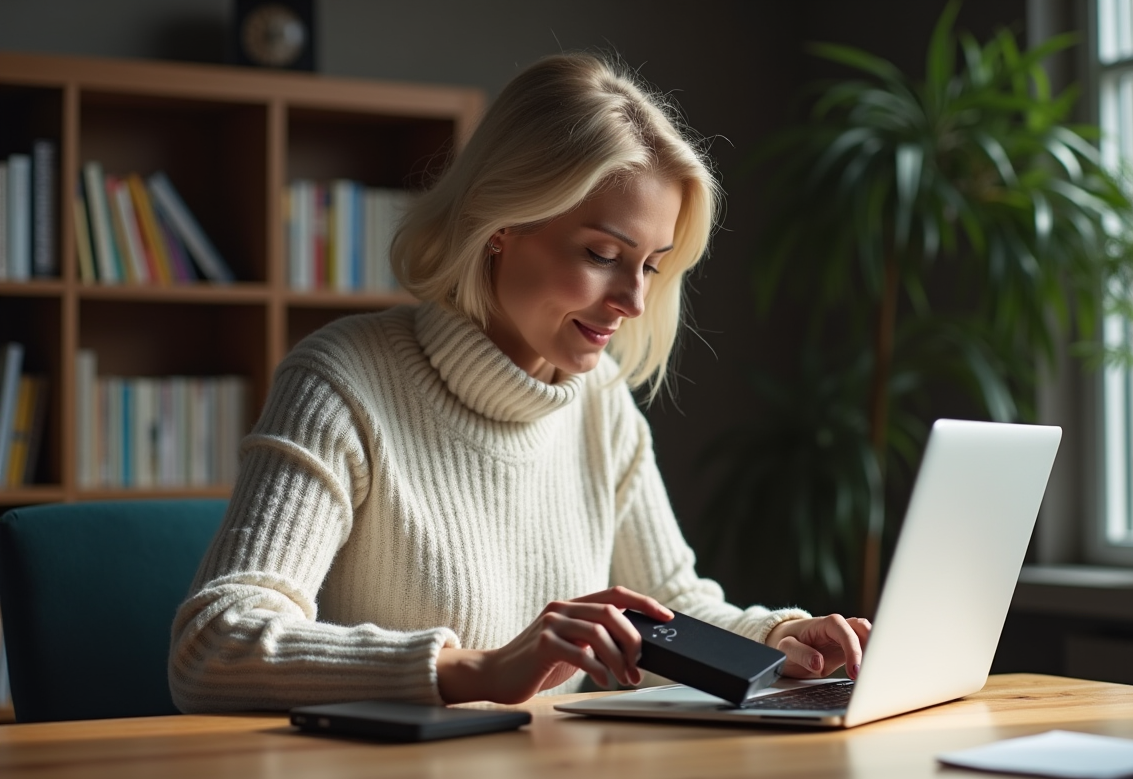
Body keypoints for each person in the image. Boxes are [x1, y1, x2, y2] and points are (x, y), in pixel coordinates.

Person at [168, 52, 870, 713]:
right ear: (502, 224)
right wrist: (476, 669)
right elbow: (214, 644)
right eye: (602, 253)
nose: (633, 300)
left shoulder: (601, 405)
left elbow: (667, 607)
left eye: (652, 265)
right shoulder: (344, 382)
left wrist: (777, 640)